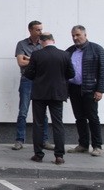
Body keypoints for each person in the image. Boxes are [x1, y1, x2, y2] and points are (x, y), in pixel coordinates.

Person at [23, 32, 74, 165]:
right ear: (53, 40)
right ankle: (59, 156)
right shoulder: (65, 55)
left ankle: (38, 155)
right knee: (58, 124)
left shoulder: (37, 55)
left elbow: (28, 73)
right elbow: (71, 73)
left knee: (39, 124)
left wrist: (39, 78)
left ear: (40, 41)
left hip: (40, 93)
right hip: (57, 94)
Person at [66, 25, 104, 156]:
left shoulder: (96, 49)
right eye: (73, 35)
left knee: (93, 117)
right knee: (79, 118)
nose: (75, 38)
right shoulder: (69, 51)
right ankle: (83, 145)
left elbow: (103, 71)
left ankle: (97, 146)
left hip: (90, 89)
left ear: (85, 34)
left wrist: (100, 90)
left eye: (78, 35)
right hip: (73, 89)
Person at [13, 20, 51, 151]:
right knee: (23, 111)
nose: (41, 32)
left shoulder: (44, 44)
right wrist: (36, 60)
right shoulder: (22, 44)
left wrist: (29, 58)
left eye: (41, 29)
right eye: (37, 30)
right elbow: (20, 63)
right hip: (27, 80)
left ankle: (44, 140)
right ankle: (19, 140)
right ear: (30, 30)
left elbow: (47, 62)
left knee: (43, 113)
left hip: (41, 82)